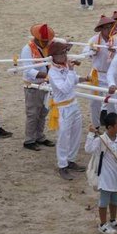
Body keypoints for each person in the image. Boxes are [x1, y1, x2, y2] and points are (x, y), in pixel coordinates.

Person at [48, 38, 90, 180]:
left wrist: (84, 78)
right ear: (54, 56)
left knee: (76, 134)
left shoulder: (64, 66)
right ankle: (62, 165)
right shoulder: (53, 73)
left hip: (73, 104)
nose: (66, 56)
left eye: (66, 53)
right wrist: (72, 71)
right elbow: (65, 88)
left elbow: (72, 79)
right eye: (63, 53)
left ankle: (71, 160)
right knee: (63, 137)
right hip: (63, 108)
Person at [85, 111, 117, 234]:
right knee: (104, 201)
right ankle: (102, 224)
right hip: (106, 176)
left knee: (115, 200)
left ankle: (112, 220)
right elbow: (88, 149)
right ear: (109, 127)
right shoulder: (100, 140)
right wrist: (91, 134)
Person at [19, 23, 56, 151]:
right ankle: (29, 140)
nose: (47, 43)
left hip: (45, 85)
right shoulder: (27, 49)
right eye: (44, 41)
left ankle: (40, 136)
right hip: (33, 86)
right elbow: (28, 70)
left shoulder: (46, 47)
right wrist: (47, 75)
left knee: (43, 112)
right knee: (33, 113)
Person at [83, 15, 117, 127]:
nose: (109, 30)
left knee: (112, 102)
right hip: (97, 74)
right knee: (94, 103)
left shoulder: (116, 40)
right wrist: (92, 51)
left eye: (110, 27)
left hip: (111, 76)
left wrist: (115, 52)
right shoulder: (93, 40)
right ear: (101, 29)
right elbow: (85, 53)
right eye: (106, 28)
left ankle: (111, 126)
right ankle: (95, 126)